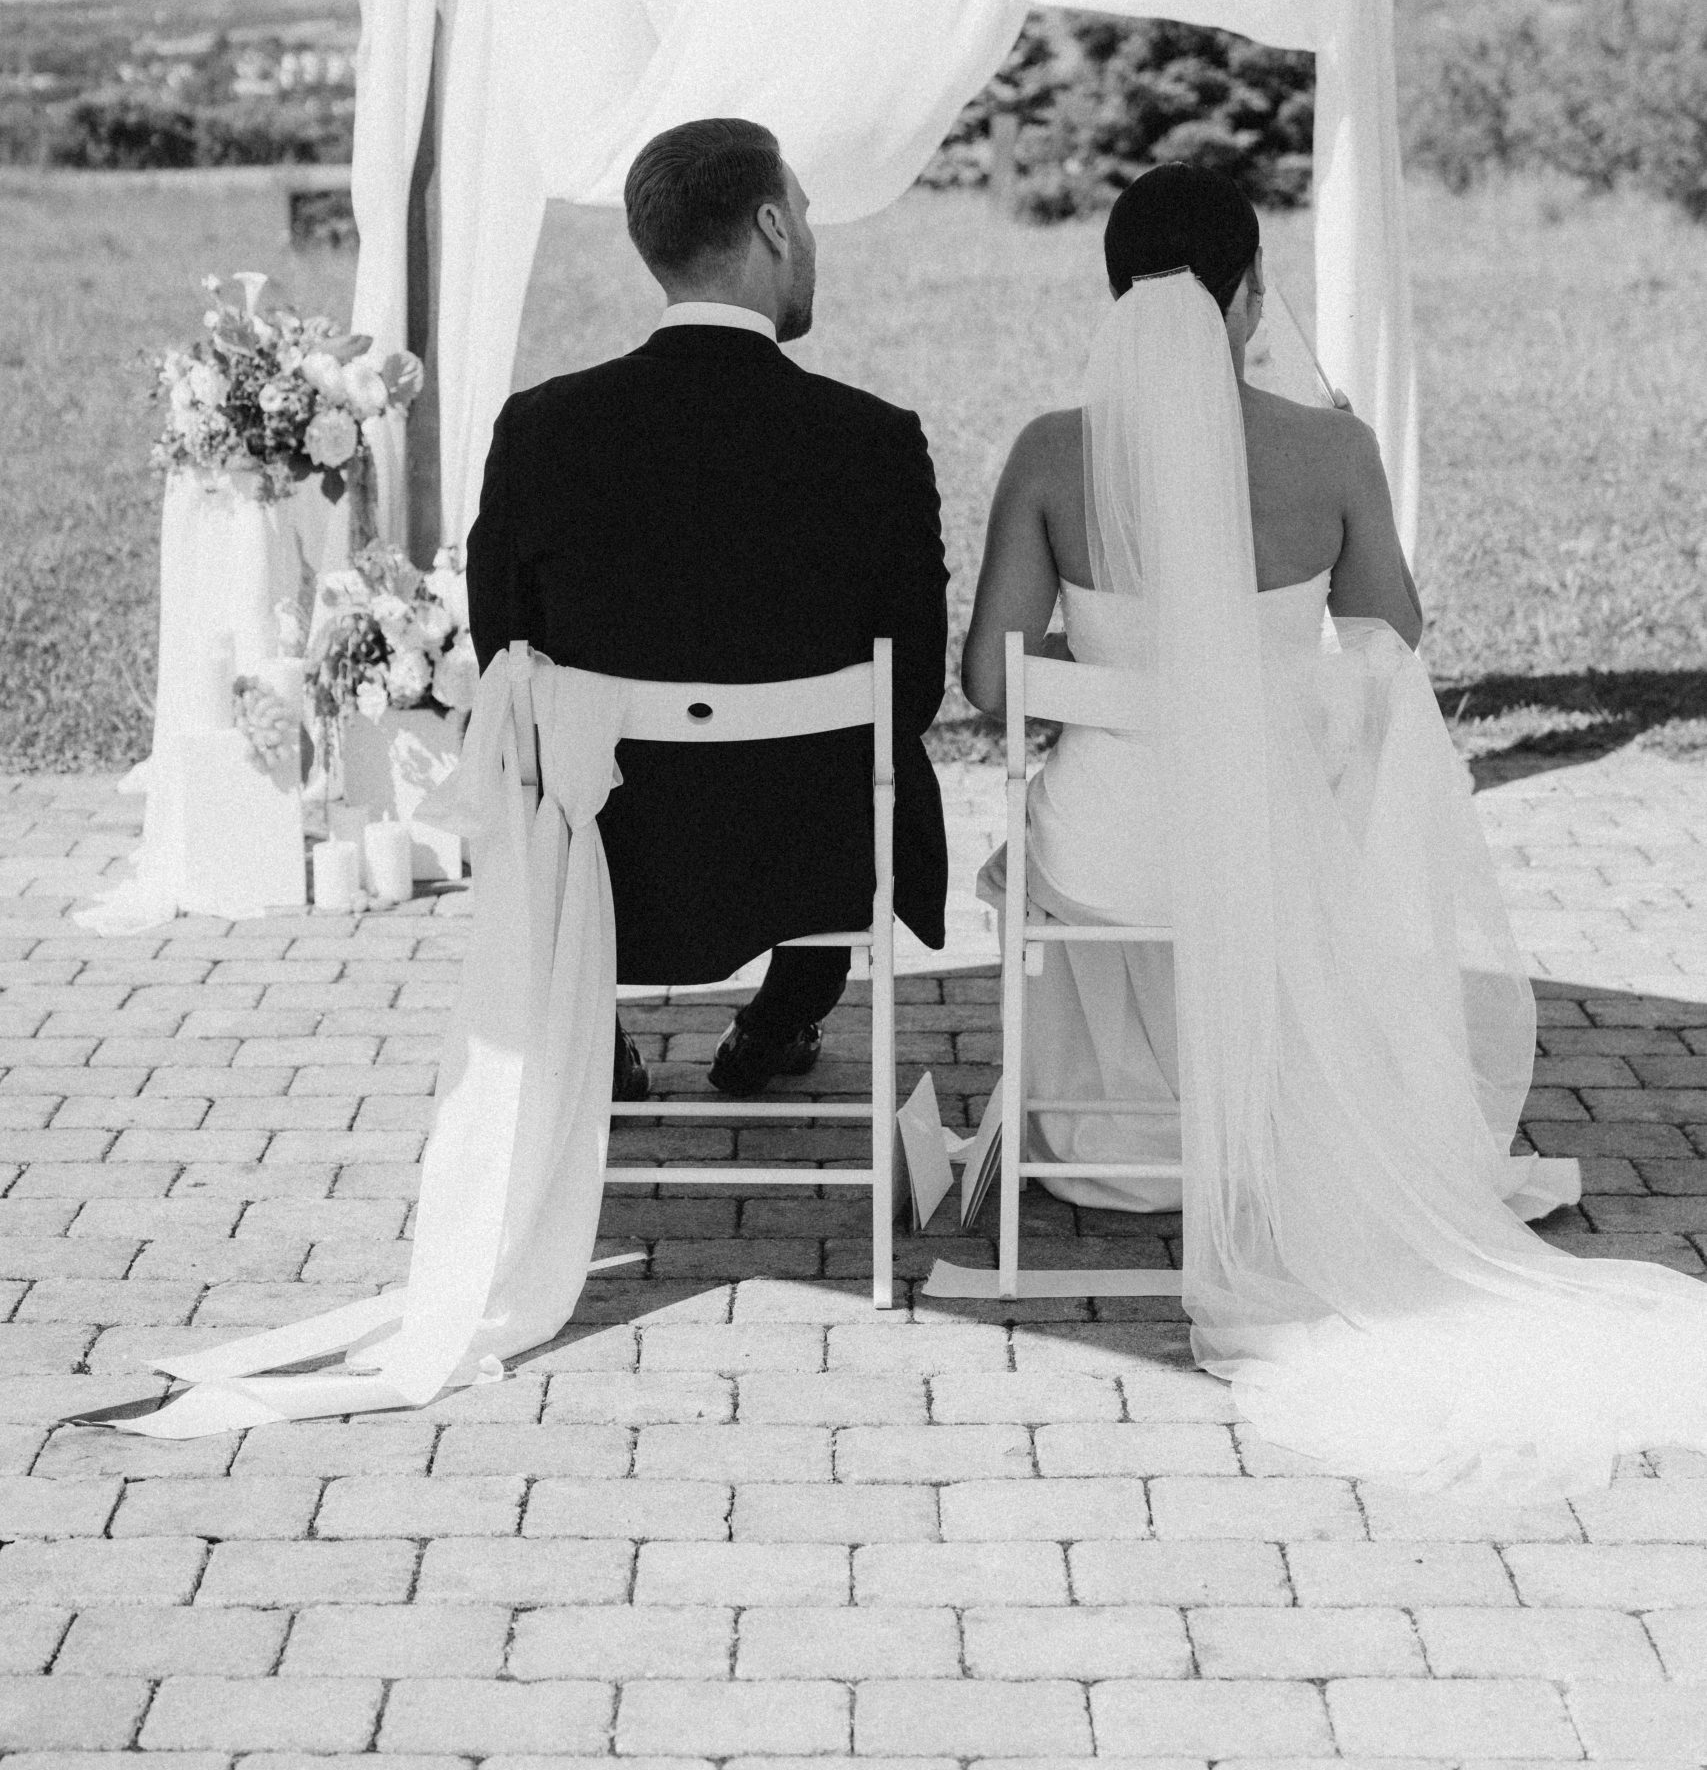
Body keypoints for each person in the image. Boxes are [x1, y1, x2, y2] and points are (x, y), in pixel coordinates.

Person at [958, 162, 1707, 1492]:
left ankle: (1117, 1130)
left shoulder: (1052, 451)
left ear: (1117, 297)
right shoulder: (1329, 450)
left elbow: (988, 683)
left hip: (1105, 855)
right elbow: (1388, 645)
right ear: (1250, 295)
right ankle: (1259, 1117)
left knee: (1048, 848)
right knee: (1312, 814)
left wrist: (1113, 659)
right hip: (1270, 853)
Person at [466, 116, 949, 1101]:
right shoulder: (872, 441)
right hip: (813, 861)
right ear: (771, 225)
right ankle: (785, 1010)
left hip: (611, 856)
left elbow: (501, 661)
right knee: (871, 755)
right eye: (804, 213)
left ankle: (591, 1028)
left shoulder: (543, 430)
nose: (808, 236)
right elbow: (917, 688)